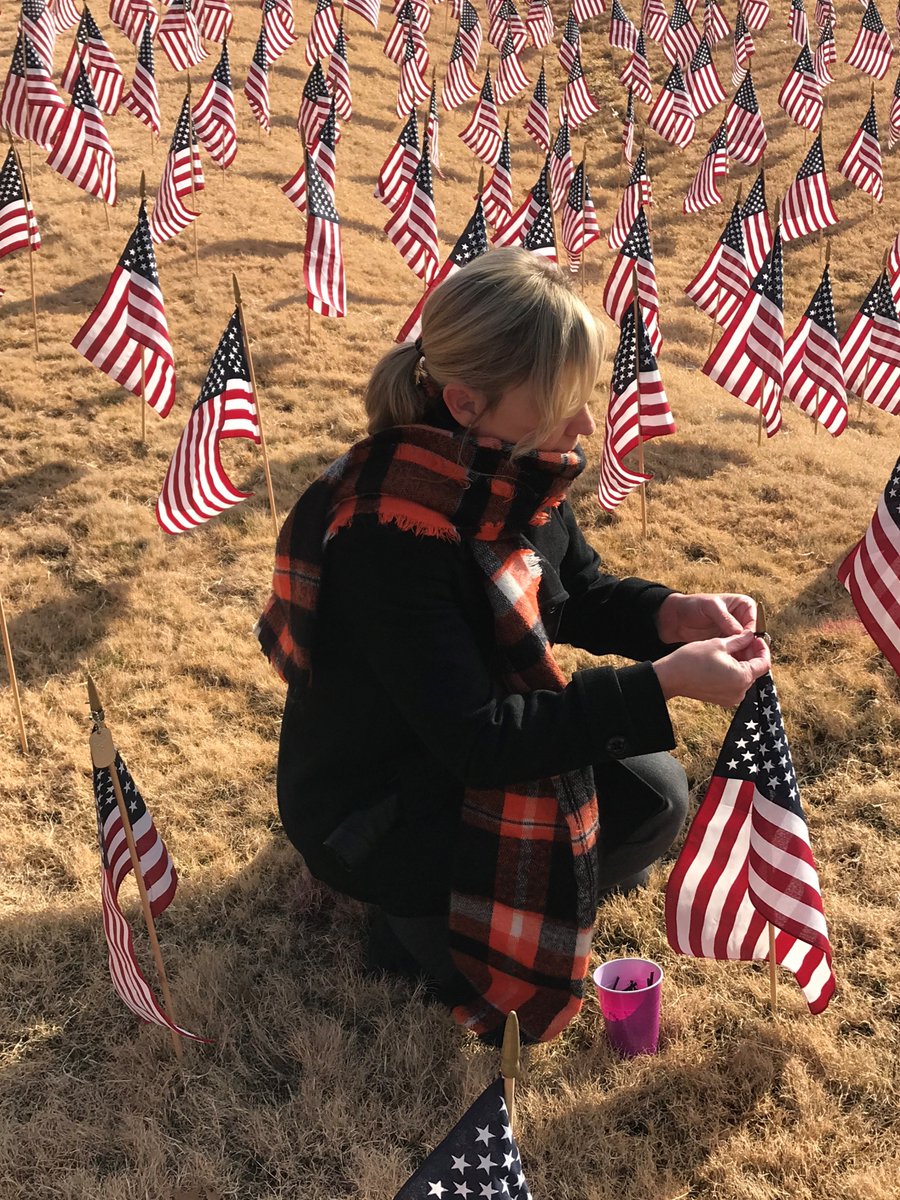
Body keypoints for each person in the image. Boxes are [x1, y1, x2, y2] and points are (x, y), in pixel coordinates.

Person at [256, 249, 770, 1044]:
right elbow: (481, 741)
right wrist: (661, 684)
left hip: (458, 747)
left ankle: (493, 901)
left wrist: (674, 615)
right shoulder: (391, 535)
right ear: (465, 402)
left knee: (658, 796)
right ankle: (408, 925)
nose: (587, 427)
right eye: (564, 402)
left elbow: (577, 590)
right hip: (376, 804)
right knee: (465, 955)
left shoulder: (511, 470)